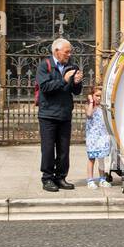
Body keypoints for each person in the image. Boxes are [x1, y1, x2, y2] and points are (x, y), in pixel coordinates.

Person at [36, 37, 83, 191]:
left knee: (64, 149)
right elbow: (45, 87)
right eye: (66, 52)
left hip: (64, 114)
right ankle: (47, 178)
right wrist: (64, 80)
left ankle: (61, 177)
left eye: (70, 52)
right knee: (48, 148)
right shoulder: (44, 66)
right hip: (48, 114)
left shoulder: (72, 66)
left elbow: (76, 91)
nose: (69, 55)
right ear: (56, 51)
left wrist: (77, 82)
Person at [84, 88, 112, 188]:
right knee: (92, 158)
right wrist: (91, 101)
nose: (99, 98)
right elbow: (89, 114)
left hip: (102, 135)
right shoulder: (88, 105)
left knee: (102, 158)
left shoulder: (103, 107)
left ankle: (102, 179)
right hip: (92, 136)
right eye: (97, 95)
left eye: (100, 96)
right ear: (92, 95)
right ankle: (90, 180)